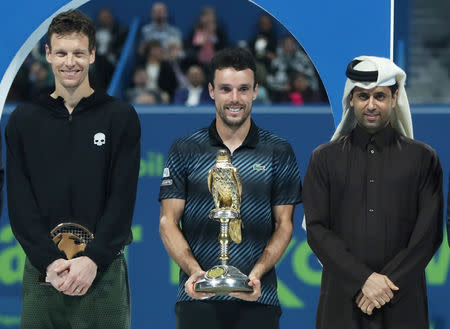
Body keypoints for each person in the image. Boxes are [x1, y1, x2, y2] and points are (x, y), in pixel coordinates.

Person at [5, 9, 140, 329]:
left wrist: (93, 259)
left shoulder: (120, 117)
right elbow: (20, 202)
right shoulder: (24, 120)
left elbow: (122, 199)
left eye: (79, 53)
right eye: (62, 53)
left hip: (102, 272)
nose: (70, 62)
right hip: (43, 272)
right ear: (48, 54)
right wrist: (49, 261)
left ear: (93, 54)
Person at [159, 47, 302, 329]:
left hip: (259, 299)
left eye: (243, 89)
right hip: (196, 299)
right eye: (226, 89)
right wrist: (196, 273)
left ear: (255, 91)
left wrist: (256, 275)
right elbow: (168, 222)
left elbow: (284, 224)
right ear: (211, 91)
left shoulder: (278, 150)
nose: (235, 99)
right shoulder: (185, 149)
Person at [302, 56, 443, 329]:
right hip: (341, 302)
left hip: (403, 304)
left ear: (395, 97)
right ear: (351, 100)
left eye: (379, 96)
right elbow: (317, 230)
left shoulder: (423, 159)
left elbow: (428, 236)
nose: (371, 105)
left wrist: (385, 285)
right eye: (363, 96)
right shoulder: (324, 159)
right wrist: (363, 280)